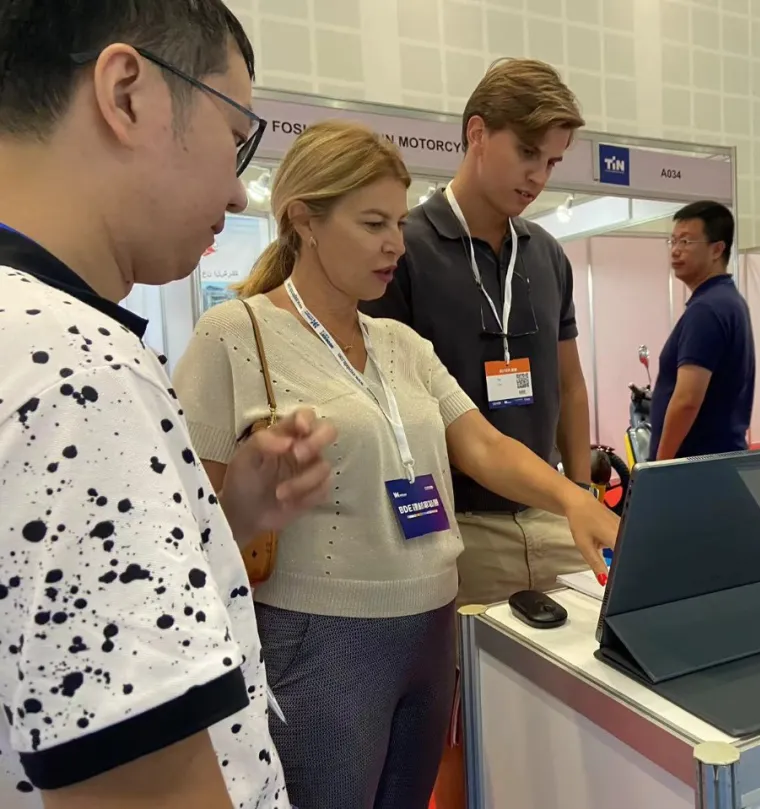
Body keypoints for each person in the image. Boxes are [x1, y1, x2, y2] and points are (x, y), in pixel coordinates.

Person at [171, 119, 619, 809]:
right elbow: (190, 518)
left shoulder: (400, 343)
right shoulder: (237, 332)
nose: (395, 244)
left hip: (433, 623)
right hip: (320, 638)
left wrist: (574, 497)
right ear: (305, 221)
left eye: (399, 223)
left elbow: (482, 445)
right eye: (373, 223)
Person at [0, 3, 338, 808]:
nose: (240, 189)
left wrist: (225, 517)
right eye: (235, 136)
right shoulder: (75, 372)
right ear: (126, 92)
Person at [361, 57, 596, 608]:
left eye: (552, 161)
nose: (539, 177)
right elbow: (392, 407)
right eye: (527, 152)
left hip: (554, 515)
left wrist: (581, 492)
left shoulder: (547, 254)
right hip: (457, 525)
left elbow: (570, 385)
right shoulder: (403, 249)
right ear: (478, 134)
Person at [650, 201, 755, 461]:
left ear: (717, 249)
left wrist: (660, 465)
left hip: (695, 466)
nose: (675, 250)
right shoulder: (728, 301)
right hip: (719, 461)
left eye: (686, 242)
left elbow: (687, 400)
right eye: (673, 241)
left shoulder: (706, 309)